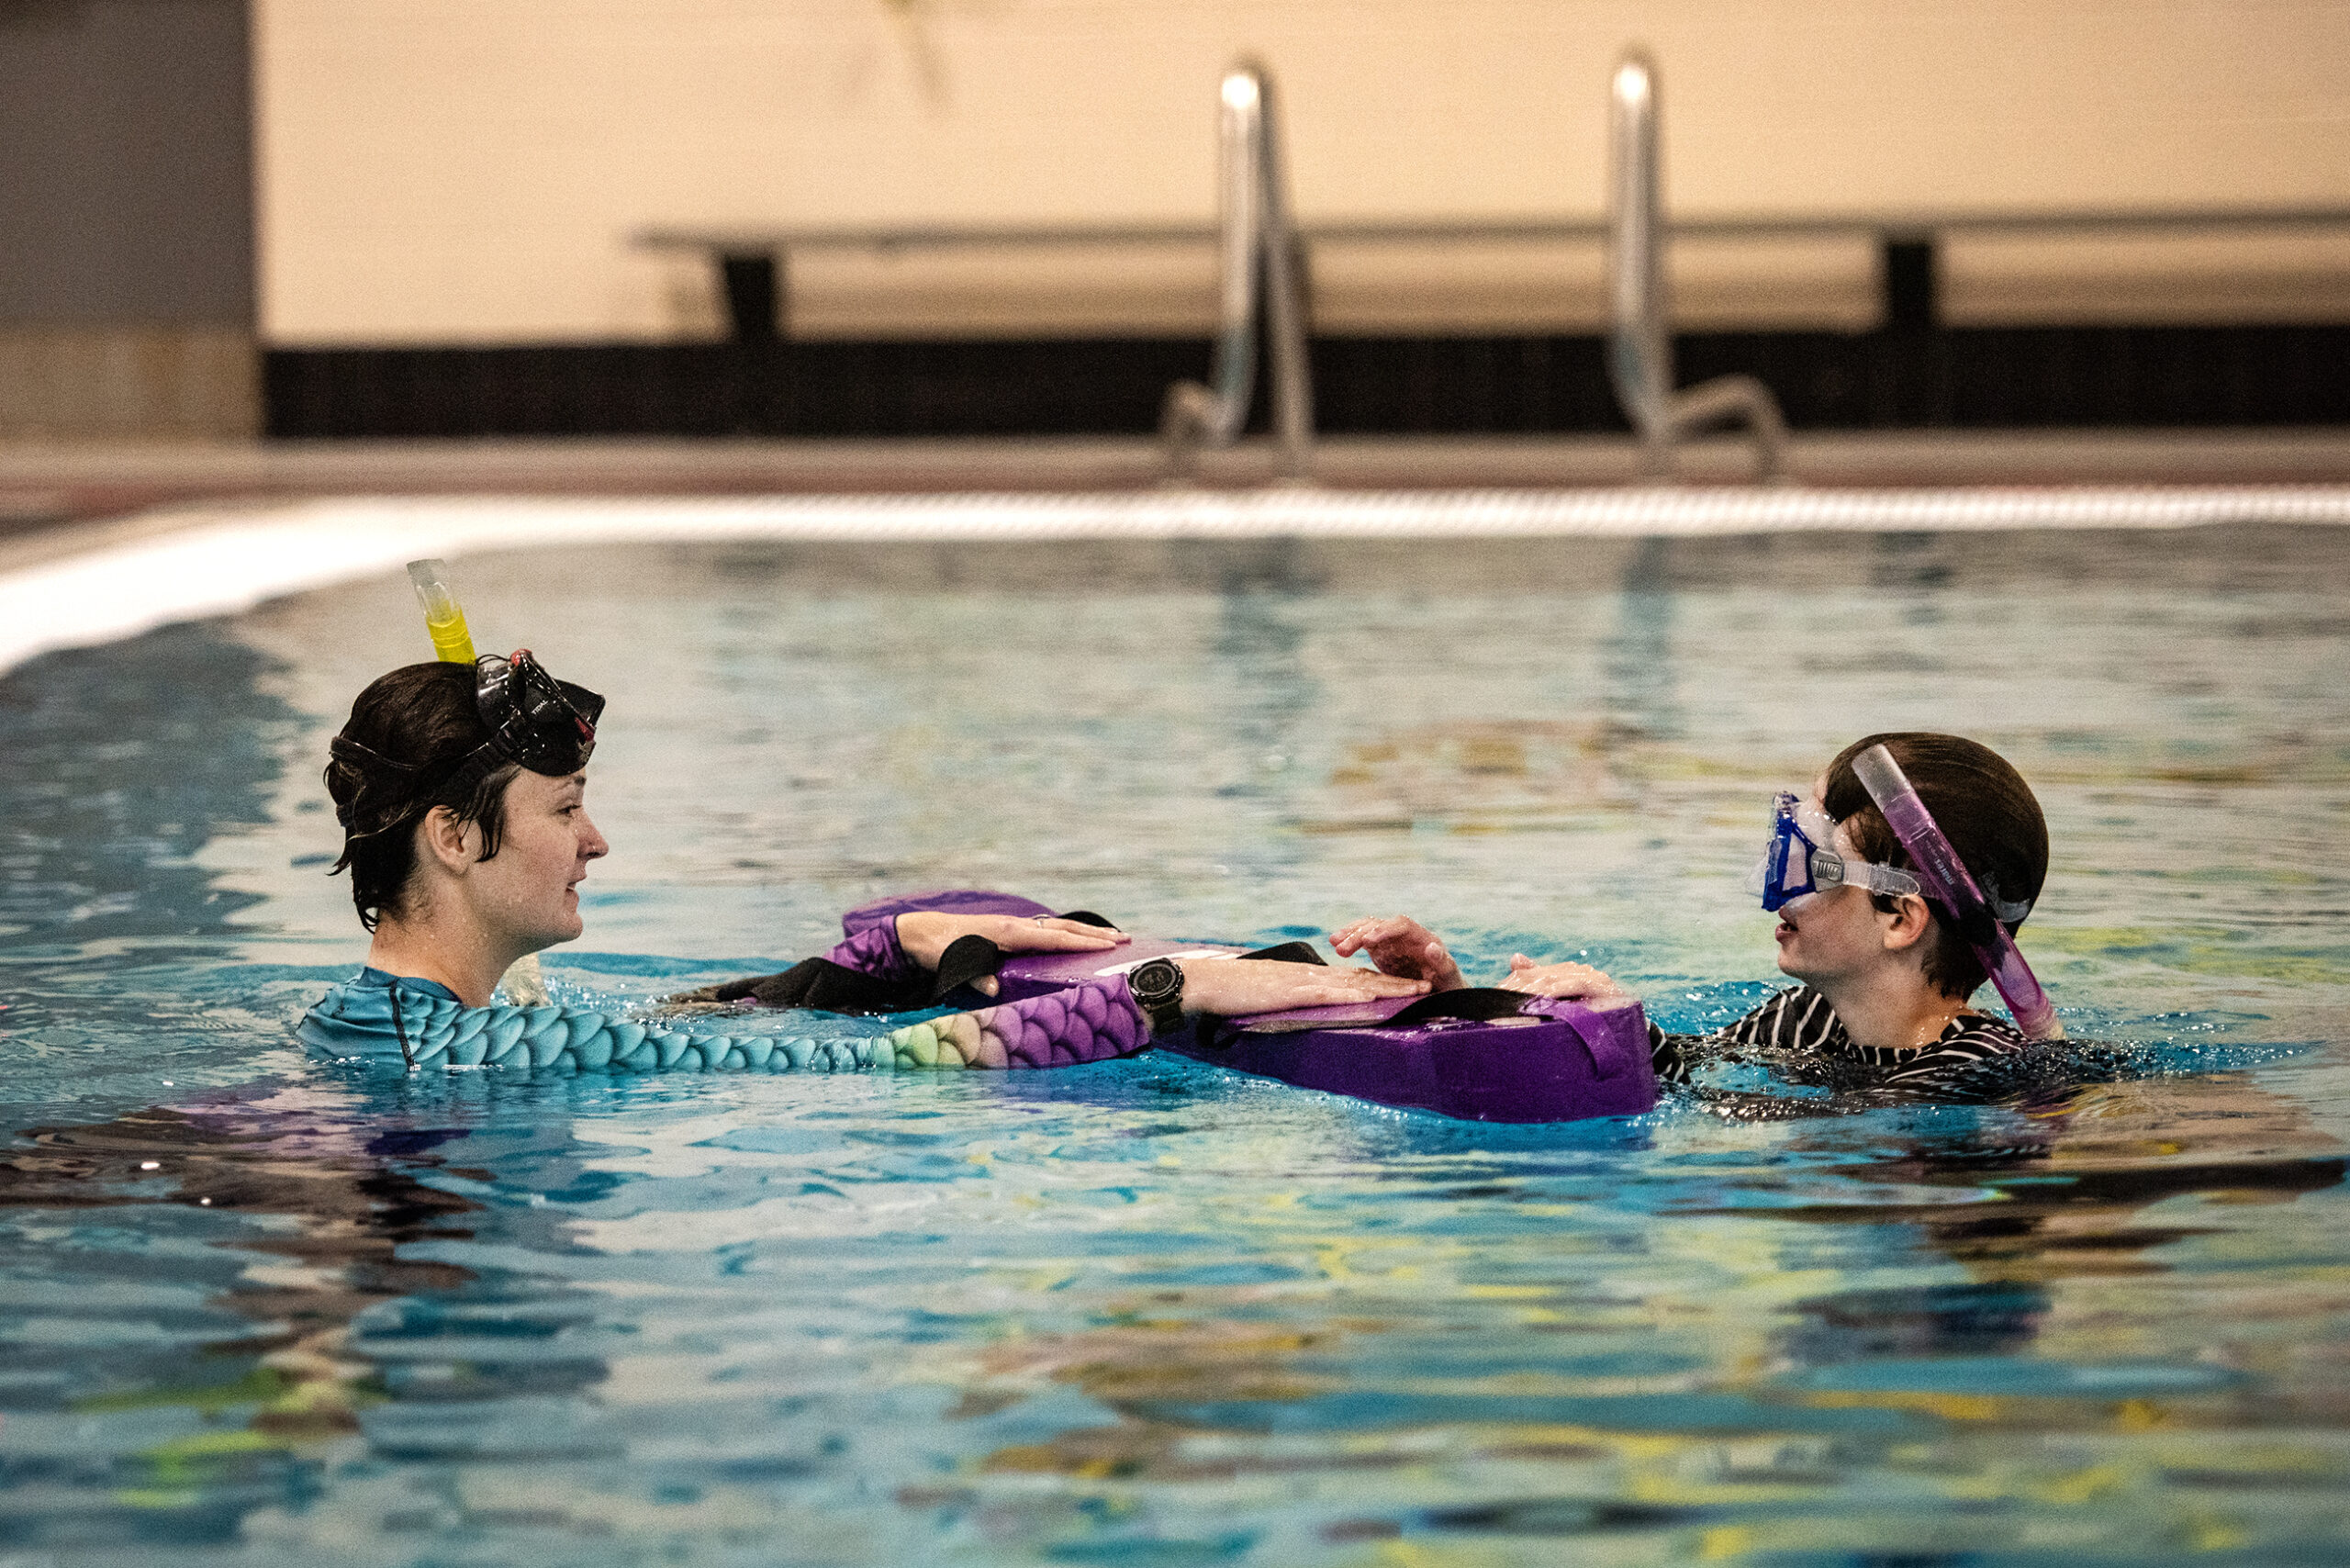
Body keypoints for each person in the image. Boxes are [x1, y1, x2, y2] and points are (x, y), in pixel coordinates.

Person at [299, 655, 1425, 1074]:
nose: (596, 842)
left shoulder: (396, 1033)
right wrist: (1165, 989)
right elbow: (859, 1079)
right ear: (452, 838)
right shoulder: (489, 1051)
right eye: (568, 807)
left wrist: (880, 954)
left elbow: (690, 1026)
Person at [1331, 732, 2054, 1098]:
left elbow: (1857, 1138)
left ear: (1899, 917)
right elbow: (1676, 1074)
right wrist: (1456, 996)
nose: (1782, 888)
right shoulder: (1801, 1021)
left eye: (1814, 864)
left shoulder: (1976, 1070)